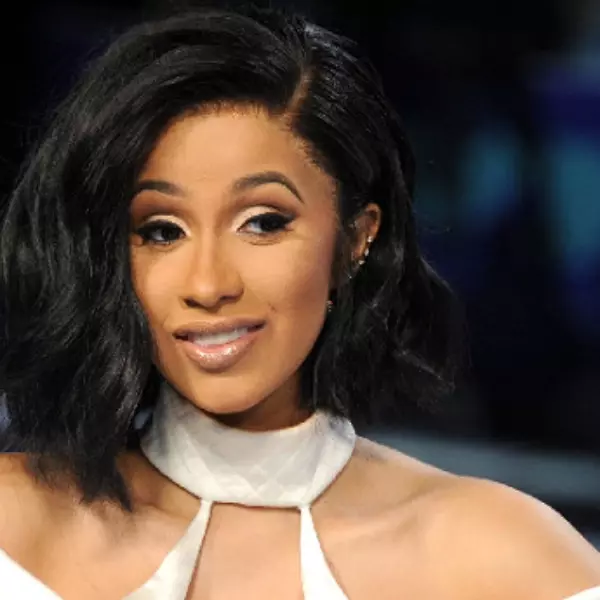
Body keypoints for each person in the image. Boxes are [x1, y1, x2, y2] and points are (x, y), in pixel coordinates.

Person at [0, 6, 599, 599]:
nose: (207, 285)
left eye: (263, 222)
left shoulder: (494, 554)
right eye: (162, 231)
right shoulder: (17, 526)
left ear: (356, 239)